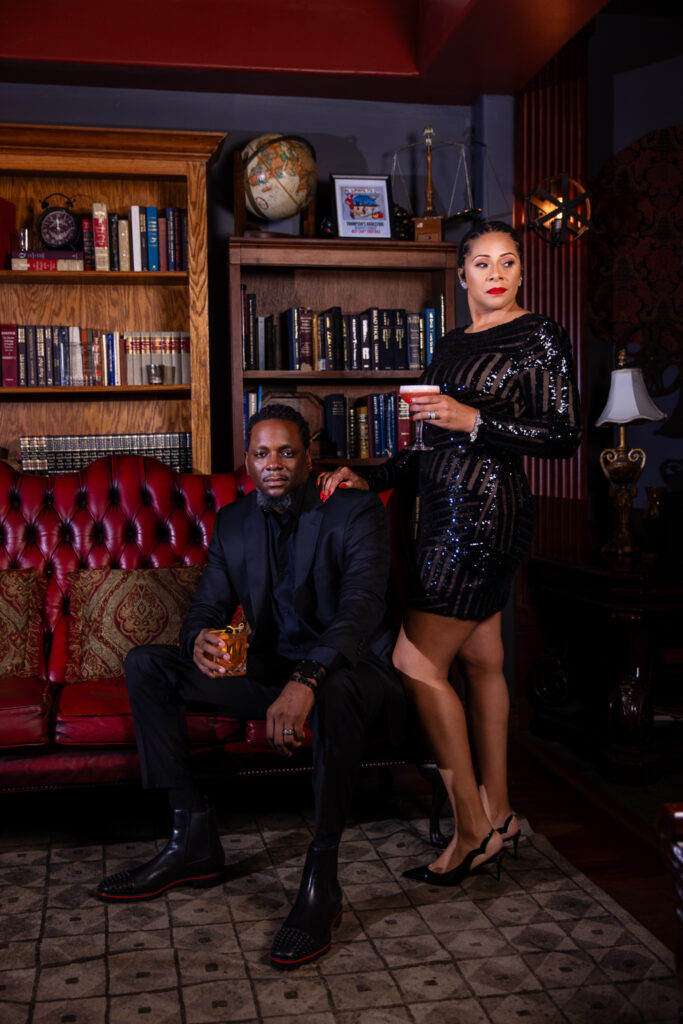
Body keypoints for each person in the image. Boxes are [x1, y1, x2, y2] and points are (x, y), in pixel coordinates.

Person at [318, 220, 582, 886]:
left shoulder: (539, 334)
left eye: (509, 262)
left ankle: (470, 827)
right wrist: (369, 475)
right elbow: (421, 445)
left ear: (520, 273)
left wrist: (475, 421)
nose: (496, 273)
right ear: (460, 276)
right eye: (482, 263)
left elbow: (562, 435)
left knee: (414, 660)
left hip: (484, 515)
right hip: (435, 508)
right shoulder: (450, 344)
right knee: (481, 660)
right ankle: (499, 812)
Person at [96, 404, 405, 969]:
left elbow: (361, 609)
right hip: (268, 674)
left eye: (287, 452)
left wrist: (308, 678)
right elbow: (209, 603)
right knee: (148, 664)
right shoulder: (234, 520)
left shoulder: (354, 511)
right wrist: (198, 641)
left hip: (350, 675)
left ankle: (322, 877)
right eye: (262, 454)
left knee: (333, 692)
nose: (274, 465)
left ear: (309, 457)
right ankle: (192, 838)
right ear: (247, 460)